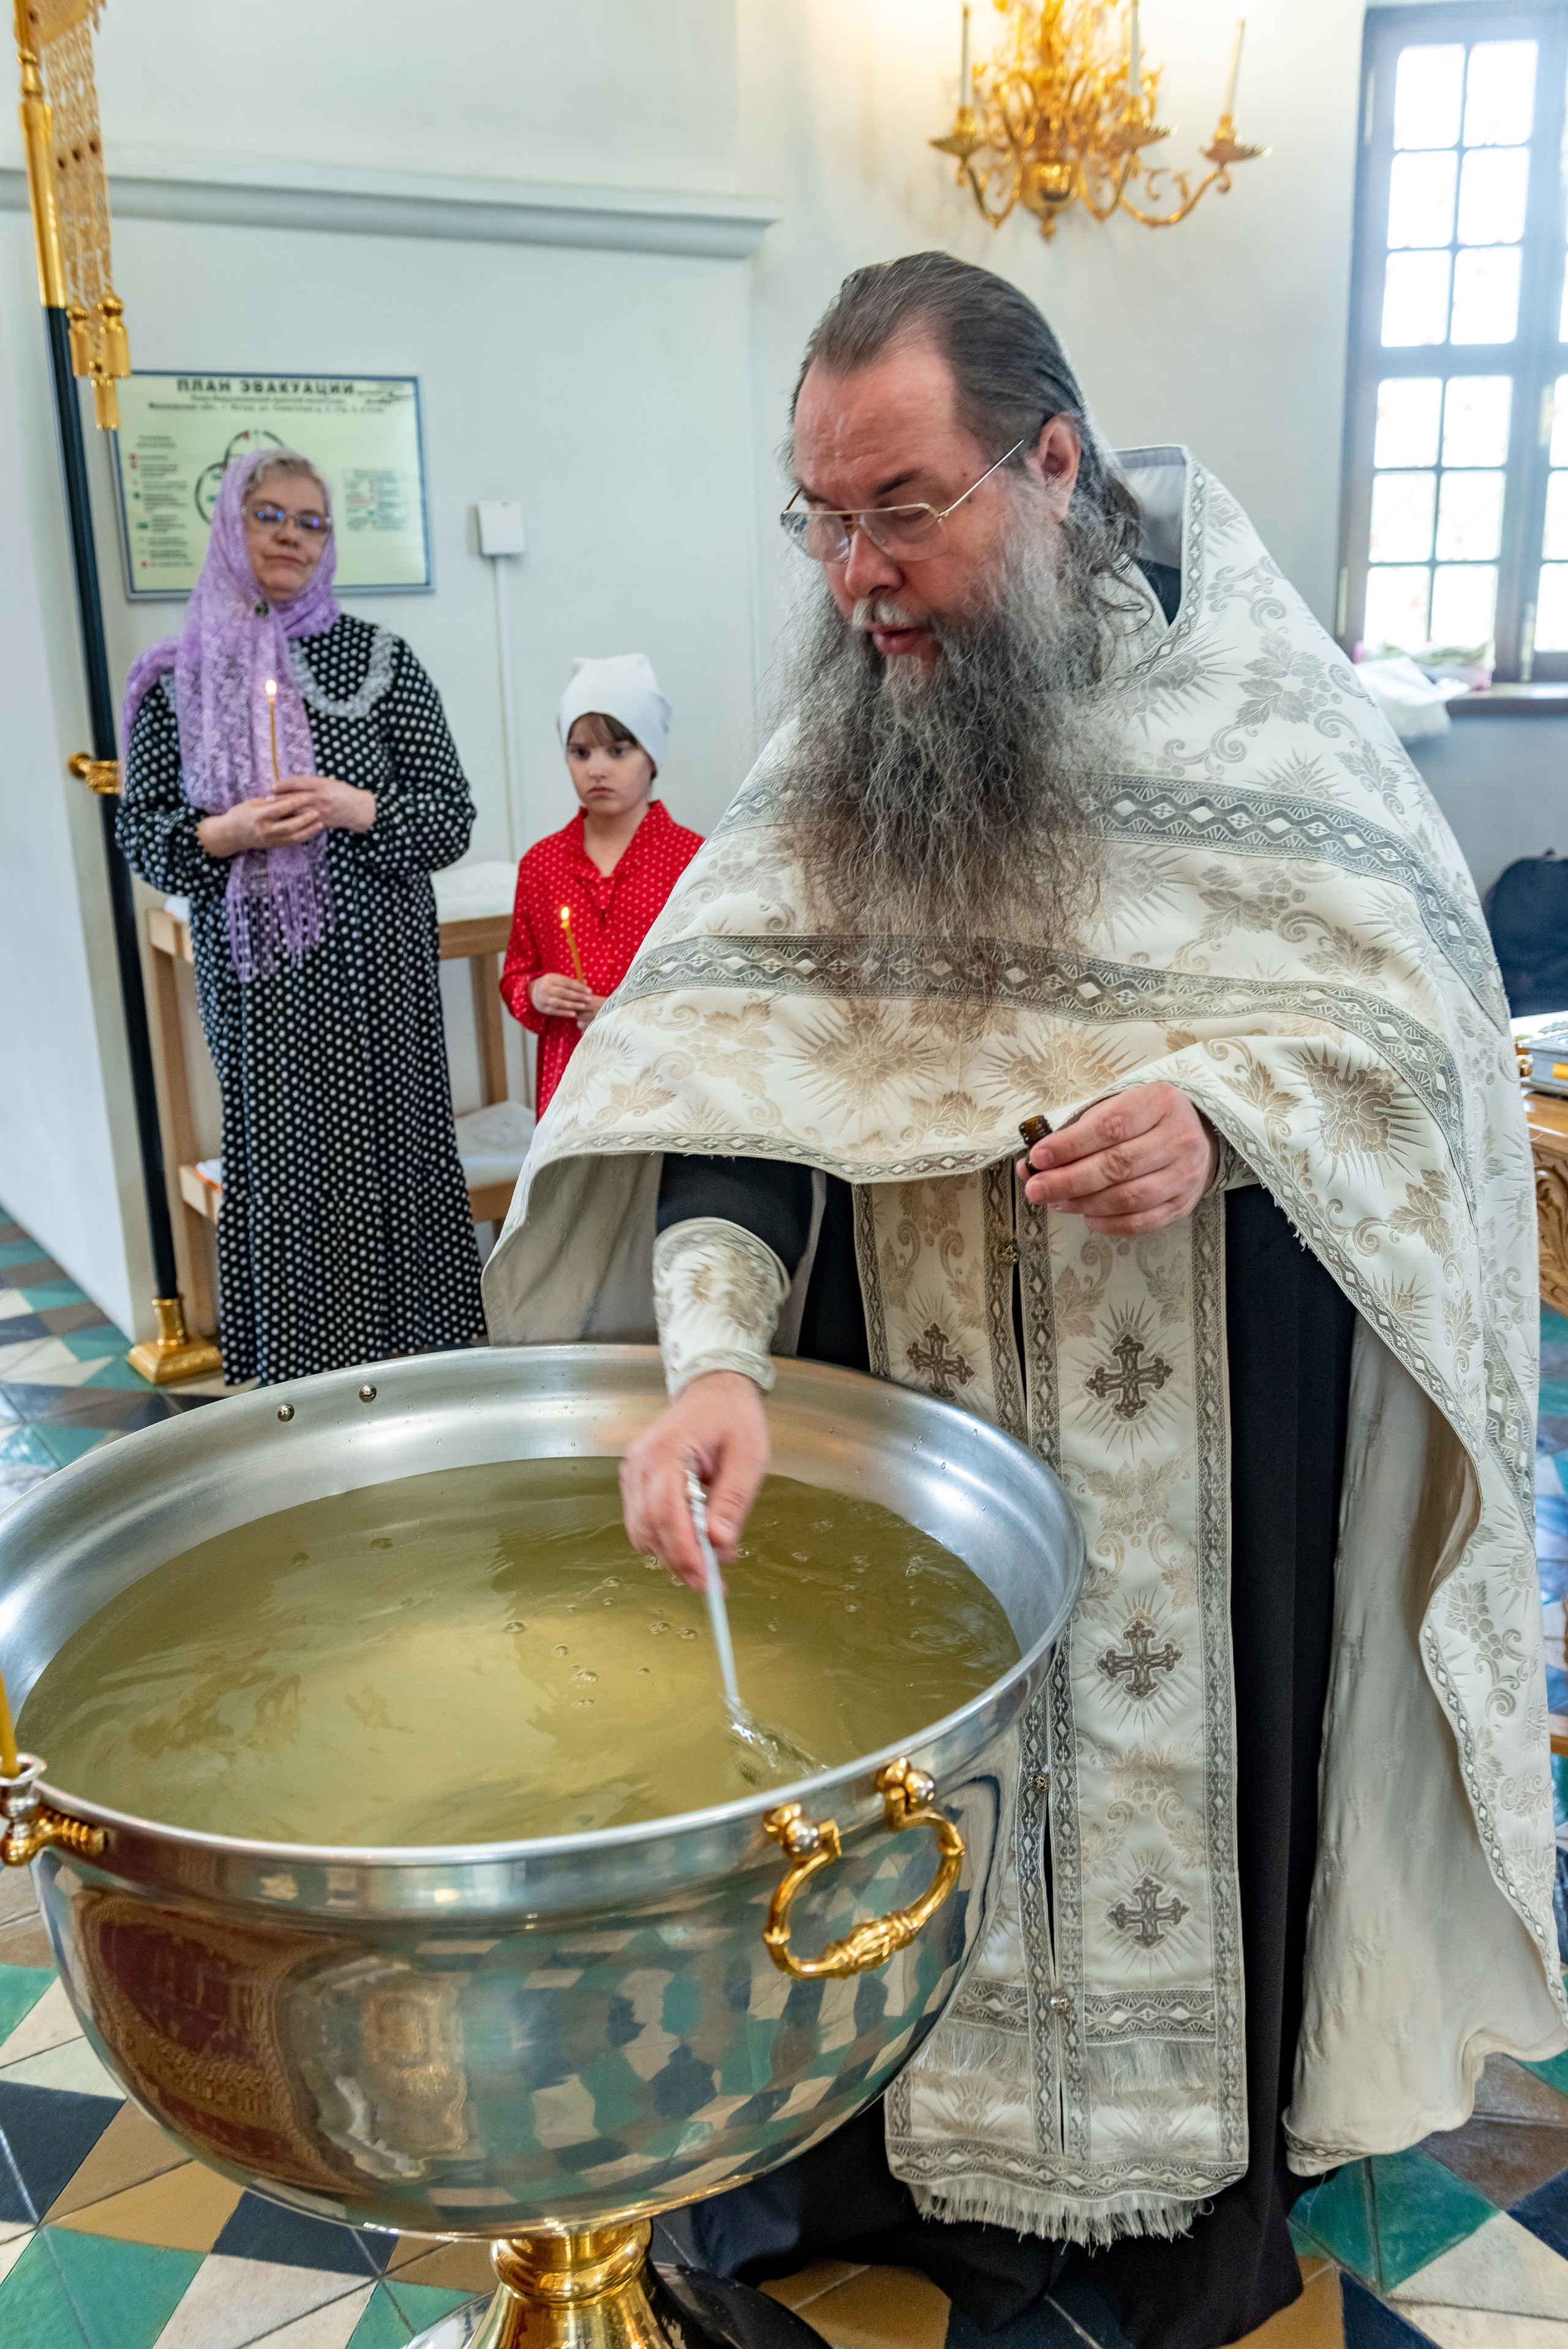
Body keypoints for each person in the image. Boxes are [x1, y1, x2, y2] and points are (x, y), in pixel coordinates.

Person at [482, 255, 1565, 2349]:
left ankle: (1168, 2229)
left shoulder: (1267, 723)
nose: (858, 572)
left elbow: (1413, 1054)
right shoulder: (843, 744)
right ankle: (880, 2168)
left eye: (904, 505)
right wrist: (712, 1356)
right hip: (920, 1428)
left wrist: (1227, 1123)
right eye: (819, 515)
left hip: (1208, 1441)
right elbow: (737, 1074)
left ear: (1052, 462)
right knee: (905, 1788)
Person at [118, 448, 484, 1386]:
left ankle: (422, 1377)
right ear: (230, 529)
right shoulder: (178, 681)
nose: (290, 535)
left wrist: (357, 808)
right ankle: (307, 1395)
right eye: (268, 514)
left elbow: (449, 816)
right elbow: (147, 838)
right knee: (288, 1175)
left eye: (311, 521)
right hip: (266, 994)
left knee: (394, 1151)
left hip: (381, 979)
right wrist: (230, 830)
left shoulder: (381, 659)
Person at [499, 654, 702, 1117]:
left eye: (618, 750)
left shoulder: (693, 861)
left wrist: (628, 1012)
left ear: (653, 755)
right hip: (570, 1083)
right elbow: (515, 973)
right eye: (581, 752)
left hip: (660, 1085)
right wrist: (534, 992)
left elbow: (708, 988)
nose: (596, 769)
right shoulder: (541, 864)